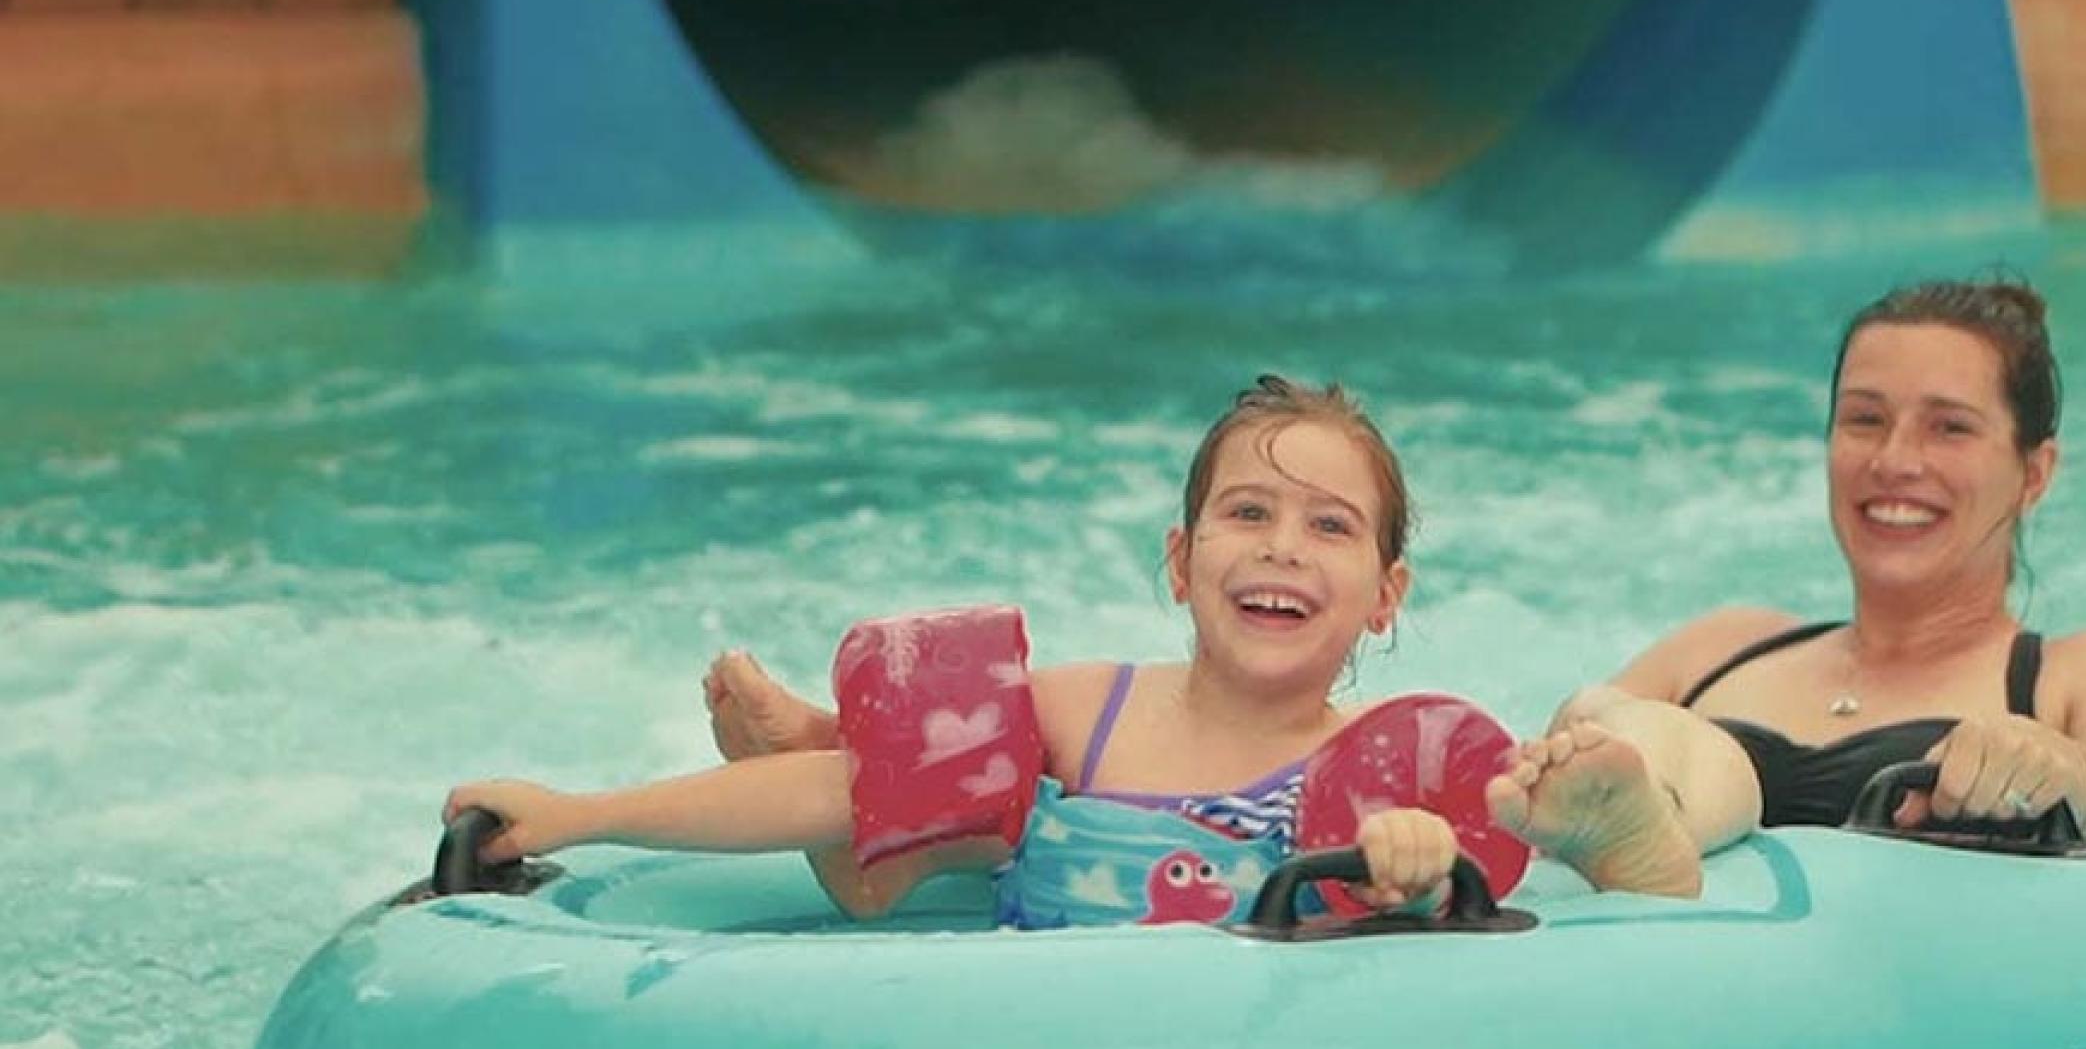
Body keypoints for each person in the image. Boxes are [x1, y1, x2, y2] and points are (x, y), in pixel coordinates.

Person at [448, 376, 1620, 918]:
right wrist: (581, 814)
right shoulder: (1083, 715)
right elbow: (839, 796)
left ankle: (846, 770)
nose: (1282, 548)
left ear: (1385, 596)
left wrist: (1414, 859)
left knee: (910, 831)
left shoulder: (1394, 763)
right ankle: (846, 770)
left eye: (1330, 527)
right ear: (1181, 562)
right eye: (1248, 513)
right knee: (887, 806)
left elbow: (1482, 874)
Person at [1481, 279, 2086, 897]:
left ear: (2034, 474)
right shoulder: (1723, 645)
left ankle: (1662, 837)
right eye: (1865, 420)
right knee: (1606, 715)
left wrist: (2072, 776)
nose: (1895, 461)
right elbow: (1530, 799)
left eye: (1950, 428)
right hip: (1682, 966)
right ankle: (1652, 836)